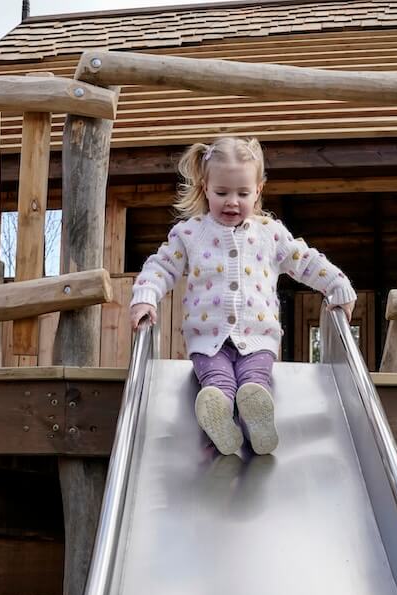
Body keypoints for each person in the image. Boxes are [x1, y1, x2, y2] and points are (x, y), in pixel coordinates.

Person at [129, 136, 356, 456]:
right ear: (205, 187)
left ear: (259, 190)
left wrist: (337, 285)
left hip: (259, 338)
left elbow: (305, 260)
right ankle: (220, 424)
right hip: (208, 341)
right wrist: (145, 295)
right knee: (217, 384)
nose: (232, 202)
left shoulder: (270, 233)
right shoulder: (190, 234)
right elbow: (161, 266)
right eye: (221, 193)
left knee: (254, 382)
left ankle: (256, 425)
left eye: (243, 193)